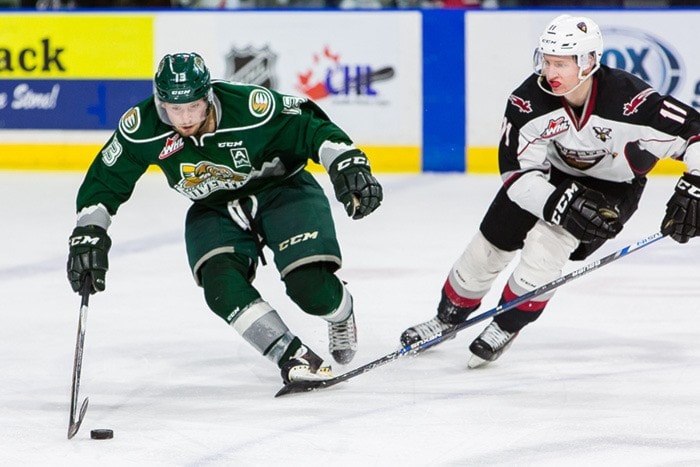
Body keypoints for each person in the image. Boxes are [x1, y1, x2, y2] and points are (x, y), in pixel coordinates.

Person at [401, 14, 700, 368]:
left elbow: (693, 133)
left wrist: (695, 187)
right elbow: (516, 172)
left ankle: (507, 324)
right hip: (546, 179)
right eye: (547, 60)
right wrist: (555, 200)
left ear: (588, 62)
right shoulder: (527, 101)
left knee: (546, 250)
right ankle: (447, 317)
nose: (550, 71)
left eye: (561, 63)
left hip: (612, 188)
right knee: (486, 249)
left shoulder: (631, 101)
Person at [67, 52, 382, 385]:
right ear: (161, 103)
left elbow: (310, 127)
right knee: (220, 286)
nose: (185, 118)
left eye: (193, 107)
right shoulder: (142, 127)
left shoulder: (251, 108)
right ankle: (293, 356)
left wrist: (348, 164)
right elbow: (106, 180)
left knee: (310, 290)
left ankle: (341, 311)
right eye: (175, 109)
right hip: (214, 206)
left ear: (209, 97)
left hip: (282, 190)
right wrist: (89, 232)